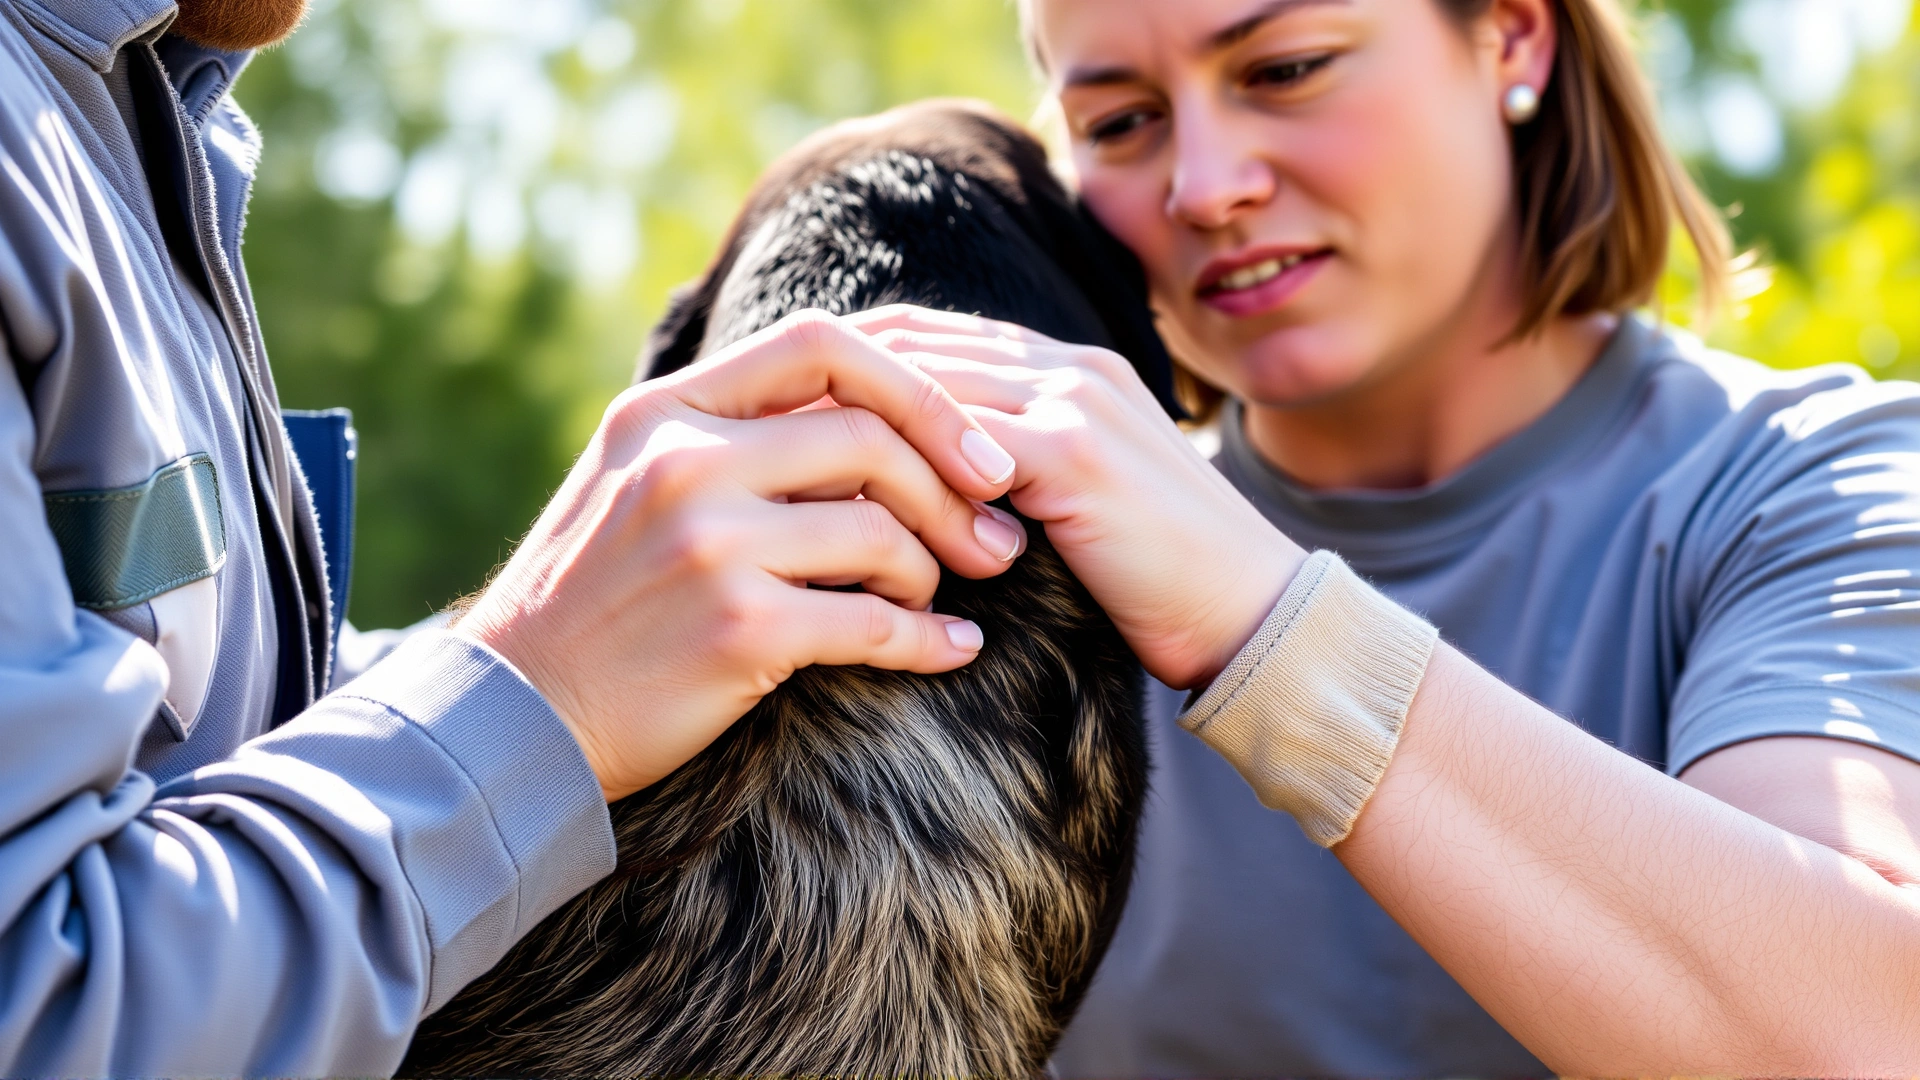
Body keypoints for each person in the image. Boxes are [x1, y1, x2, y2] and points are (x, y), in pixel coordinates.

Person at [837, 0, 1920, 1073]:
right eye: (1121, 123)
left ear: (1513, 35)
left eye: (1287, 67)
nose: (1206, 188)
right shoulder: (1003, 571)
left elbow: (1862, 1035)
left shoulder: (1820, 485)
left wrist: (1267, 631)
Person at [0, 0, 1028, 1074]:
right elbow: (42, 1013)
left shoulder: (142, 114)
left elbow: (212, 738)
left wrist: (628, 611)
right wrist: (537, 697)